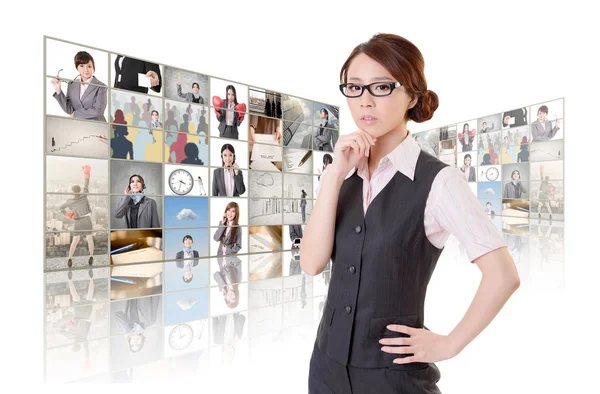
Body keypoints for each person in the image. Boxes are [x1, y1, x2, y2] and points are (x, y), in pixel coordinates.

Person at [301, 33, 519, 394]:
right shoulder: (344, 172)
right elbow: (310, 263)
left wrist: (450, 343)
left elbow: (503, 276)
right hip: (325, 367)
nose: (365, 101)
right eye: (354, 88)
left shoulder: (438, 182)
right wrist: (334, 175)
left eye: (382, 87)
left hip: (394, 378)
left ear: (412, 96)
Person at [50, 51, 107, 121]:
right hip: (78, 126)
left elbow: (98, 112)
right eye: (82, 66)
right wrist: (58, 90)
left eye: (89, 66)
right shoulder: (72, 84)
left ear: (93, 68)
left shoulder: (101, 87)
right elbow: (69, 110)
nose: (86, 70)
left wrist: (75, 114)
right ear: (77, 67)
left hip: (97, 126)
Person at [59, 165, 95, 268]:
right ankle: (91, 256)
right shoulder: (83, 196)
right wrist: (86, 173)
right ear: (79, 190)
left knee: (75, 241)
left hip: (78, 221)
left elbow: (61, 208)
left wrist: (68, 214)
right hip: (87, 220)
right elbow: (86, 184)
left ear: (72, 191)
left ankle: (70, 258)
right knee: (89, 239)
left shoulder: (70, 201)